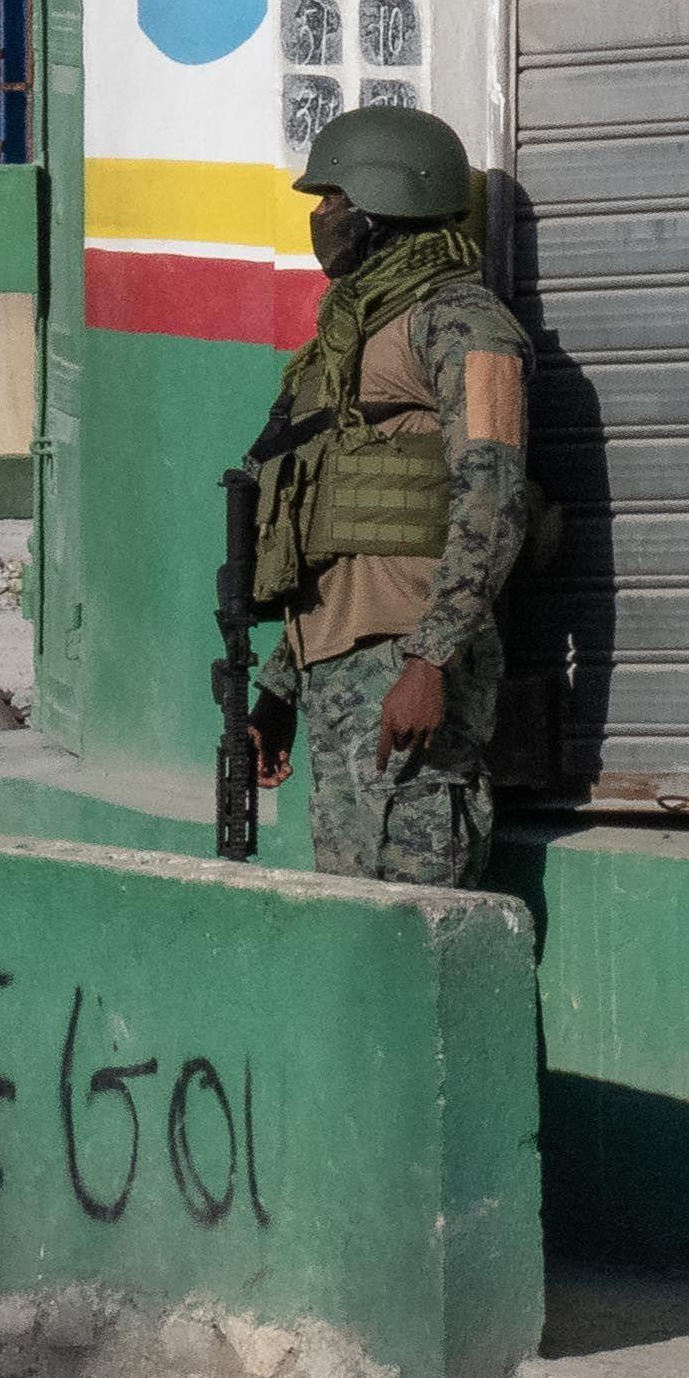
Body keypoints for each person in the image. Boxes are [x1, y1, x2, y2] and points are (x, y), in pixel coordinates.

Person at [245, 105, 536, 891]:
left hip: (407, 669)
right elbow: (330, 535)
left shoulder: (462, 322)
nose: (320, 217)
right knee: (355, 929)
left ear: (382, 203)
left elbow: (492, 495)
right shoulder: (344, 339)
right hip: (338, 677)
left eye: (331, 198)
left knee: (420, 922)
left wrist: (429, 657)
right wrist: (281, 681)